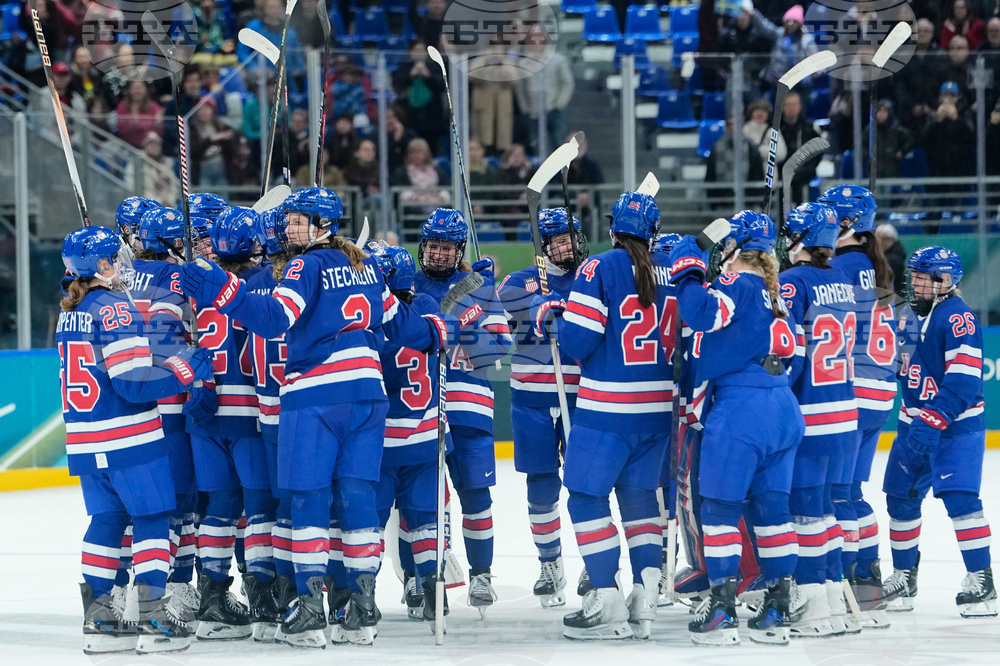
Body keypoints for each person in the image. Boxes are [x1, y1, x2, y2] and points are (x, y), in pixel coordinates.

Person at [178, 187, 451, 647]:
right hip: (368, 397)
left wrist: (226, 292)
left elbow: (271, 319)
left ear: (324, 224)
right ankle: (362, 611)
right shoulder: (363, 265)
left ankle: (309, 610)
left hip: (316, 397)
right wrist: (437, 329)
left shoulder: (305, 265)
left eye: (300, 220)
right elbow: (402, 327)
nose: (289, 227)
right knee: (357, 500)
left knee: (306, 499)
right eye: (289, 220)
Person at [58, 226, 212, 654]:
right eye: (117, 259)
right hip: (128, 436)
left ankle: (102, 619)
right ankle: (152, 617)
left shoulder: (70, 309)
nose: (125, 266)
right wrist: (186, 368)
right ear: (102, 266)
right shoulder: (114, 308)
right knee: (153, 518)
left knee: (106, 521)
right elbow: (134, 385)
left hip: (85, 439)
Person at [667, 210, 803, 646]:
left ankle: (723, 610)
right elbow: (795, 355)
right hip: (783, 405)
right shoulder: (775, 293)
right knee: (772, 513)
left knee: (721, 511)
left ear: (733, 248)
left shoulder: (738, 283)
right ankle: (779, 605)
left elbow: (703, 314)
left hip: (742, 408)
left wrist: (688, 272)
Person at [545, 192, 669, 641]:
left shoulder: (597, 267)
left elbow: (579, 341)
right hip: (658, 408)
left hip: (608, 407)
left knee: (584, 496)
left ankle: (606, 596)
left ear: (613, 226)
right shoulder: (669, 267)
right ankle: (646, 595)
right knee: (639, 501)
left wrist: (555, 319)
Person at [883, 247, 995, 618]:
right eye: (912, 275)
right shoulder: (908, 317)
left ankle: (982, 581)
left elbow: (962, 384)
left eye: (921, 277)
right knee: (900, 500)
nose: (913, 283)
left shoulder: (958, 318)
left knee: (961, 500)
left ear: (945, 281)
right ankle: (904, 576)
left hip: (955, 427)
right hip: (911, 422)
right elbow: (899, 369)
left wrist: (934, 419)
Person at [413, 209, 512, 616]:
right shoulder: (406, 284)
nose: (438, 254)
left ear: (459, 250)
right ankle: (421, 582)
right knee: (421, 503)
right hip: (419, 408)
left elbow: (500, 349)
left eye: (446, 247)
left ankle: (481, 574)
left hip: (469, 404)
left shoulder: (480, 289)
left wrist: (477, 306)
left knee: (475, 492)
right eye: (433, 245)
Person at [497, 209, 589, 609]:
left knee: (589, 486)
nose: (564, 245)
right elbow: (493, 320)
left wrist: (565, 311)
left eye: (570, 238)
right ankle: (550, 565)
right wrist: (530, 303)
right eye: (556, 240)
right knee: (541, 488)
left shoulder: (592, 276)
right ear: (544, 246)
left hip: (581, 397)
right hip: (530, 399)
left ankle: (594, 560)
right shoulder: (520, 281)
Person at [779, 203, 860, 637]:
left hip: (811, 413)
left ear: (803, 239)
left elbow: (790, 351)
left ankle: (812, 605)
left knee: (805, 512)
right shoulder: (842, 280)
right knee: (827, 510)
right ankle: (830, 595)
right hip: (845, 411)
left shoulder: (793, 282)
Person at [822, 186, 898, 630]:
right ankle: (867, 581)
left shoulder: (840, 266)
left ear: (846, 225)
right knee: (851, 491)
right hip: (878, 394)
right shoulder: (875, 266)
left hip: (849, 392)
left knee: (835, 493)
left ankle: (845, 582)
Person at [371, 244, 452, 622]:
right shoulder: (428, 309)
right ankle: (435, 594)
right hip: (424, 438)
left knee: (369, 524)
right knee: (425, 522)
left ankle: (362, 596)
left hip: (381, 443)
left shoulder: (369, 319)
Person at [514, 25, 575, 155]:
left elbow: (567, 83)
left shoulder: (557, 60)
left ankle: (561, 173)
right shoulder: (524, 63)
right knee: (536, 145)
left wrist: (559, 104)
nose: (536, 43)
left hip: (553, 108)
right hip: (533, 111)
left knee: (558, 143)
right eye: (532, 39)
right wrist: (525, 107)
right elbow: (521, 88)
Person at [778, 92, 822, 205]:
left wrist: (806, 171)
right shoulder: (776, 129)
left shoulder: (810, 128)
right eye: (788, 105)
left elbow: (817, 153)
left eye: (794, 104)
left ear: (800, 106)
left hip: (804, 177)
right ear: (783, 108)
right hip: (781, 179)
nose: (791, 108)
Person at [116, 81, 164, 150]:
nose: (137, 91)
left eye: (140, 88)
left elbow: (157, 129)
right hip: (127, 145)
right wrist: (145, 125)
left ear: (146, 90)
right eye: (134, 88)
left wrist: (137, 123)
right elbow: (121, 128)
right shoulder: (122, 106)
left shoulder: (154, 107)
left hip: (148, 145)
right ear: (129, 90)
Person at [875, 223, 907, 296]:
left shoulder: (894, 259)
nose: (880, 242)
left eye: (885, 239)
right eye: (878, 238)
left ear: (893, 239)